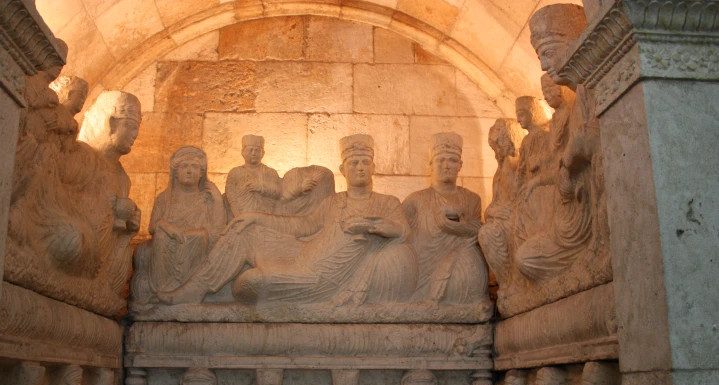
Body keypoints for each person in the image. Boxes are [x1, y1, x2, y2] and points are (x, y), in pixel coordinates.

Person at [157, 134, 417, 307]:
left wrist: (372, 226)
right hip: (302, 253)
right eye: (354, 163)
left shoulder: (387, 202)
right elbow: (301, 225)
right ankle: (196, 289)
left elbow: (402, 231)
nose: (360, 168)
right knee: (243, 230)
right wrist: (254, 216)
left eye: (365, 163)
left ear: (374, 168)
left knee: (248, 283)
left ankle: (257, 283)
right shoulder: (334, 201)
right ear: (343, 170)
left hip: (319, 276)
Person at [515, 4, 611, 283]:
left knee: (528, 256)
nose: (544, 65)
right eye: (540, 57)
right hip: (569, 213)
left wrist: (568, 161)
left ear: (575, 44)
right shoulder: (578, 99)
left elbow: (589, 140)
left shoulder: (593, 88)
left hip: (584, 210)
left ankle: (598, 254)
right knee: (526, 255)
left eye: (548, 53)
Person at [130, 147, 227, 304]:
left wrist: (217, 199)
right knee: (161, 236)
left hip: (195, 245)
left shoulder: (207, 199)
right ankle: (162, 290)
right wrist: (166, 227)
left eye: (194, 166)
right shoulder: (164, 198)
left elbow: (217, 231)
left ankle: (189, 291)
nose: (189, 171)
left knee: (199, 236)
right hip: (167, 244)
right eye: (185, 166)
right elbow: (152, 226)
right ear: (176, 172)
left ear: (202, 172)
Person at [403, 132, 488, 305]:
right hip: (422, 271)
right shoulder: (415, 200)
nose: (446, 165)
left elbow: (479, 234)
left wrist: (459, 227)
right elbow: (402, 236)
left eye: (452, 160)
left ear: (460, 165)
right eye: (440, 160)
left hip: (461, 268)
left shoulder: (472, 199)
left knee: (469, 262)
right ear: (431, 165)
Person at [478, 119, 525, 288]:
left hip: (520, 217)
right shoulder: (499, 172)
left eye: (499, 145)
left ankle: (515, 283)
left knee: (495, 232)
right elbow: (493, 206)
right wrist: (493, 212)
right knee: (487, 233)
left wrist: (509, 211)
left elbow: (524, 196)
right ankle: (507, 284)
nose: (497, 151)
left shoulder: (519, 166)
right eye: (494, 147)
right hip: (502, 220)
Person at [225, 135, 282, 216]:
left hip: (266, 217)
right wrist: (238, 215)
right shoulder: (234, 172)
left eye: (257, 150)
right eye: (250, 150)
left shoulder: (271, 172)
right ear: (242, 152)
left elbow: (277, 192)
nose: (253, 153)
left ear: (263, 153)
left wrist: (261, 187)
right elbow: (230, 196)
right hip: (240, 216)